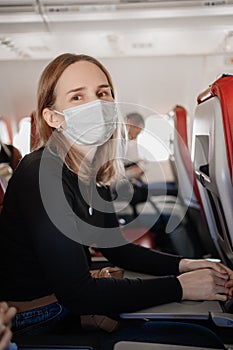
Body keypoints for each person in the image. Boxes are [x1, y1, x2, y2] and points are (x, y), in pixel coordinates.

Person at [0, 53, 233, 349]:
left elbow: (118, 250)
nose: (95, 105)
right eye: (77, 97)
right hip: (36, 319)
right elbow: (78, 294)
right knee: (201, 341)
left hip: (64, 306)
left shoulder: (91, 170)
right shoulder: (39, 173)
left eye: (102, 93)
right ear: (53, 118)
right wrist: (180, 287)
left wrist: (187, 265)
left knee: (201, 335)